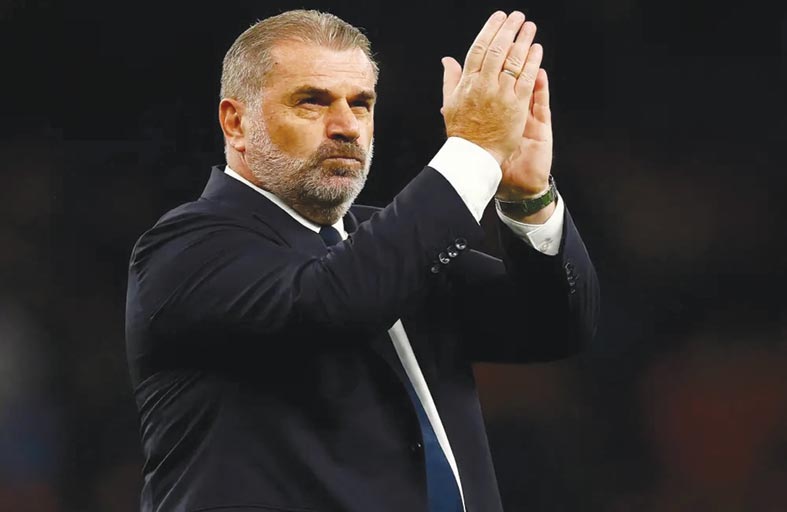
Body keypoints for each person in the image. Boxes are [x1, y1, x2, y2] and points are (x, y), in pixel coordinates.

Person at [125, 9, 599, 512]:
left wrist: (527, 197)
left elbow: (554, 328)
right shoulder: (183, 249)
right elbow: (336, 300)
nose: (347, 127)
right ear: (236, 123)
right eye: (312, 102)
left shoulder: (393, 243)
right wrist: (473, 152)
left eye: (361, 103)